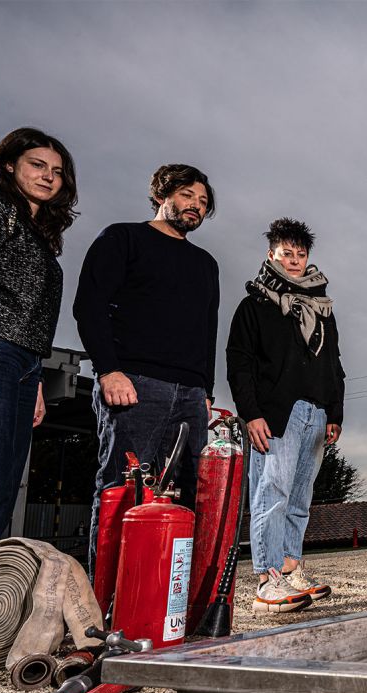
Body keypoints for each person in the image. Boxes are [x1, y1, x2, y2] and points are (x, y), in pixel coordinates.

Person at [73, 164, 219, 576]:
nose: (196, 206)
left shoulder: (206, 264)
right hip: (134, 384)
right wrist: (108, 371)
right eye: (188, 195)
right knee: (124, 490)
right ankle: (105, 605)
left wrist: (205, 391)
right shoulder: (123, 238)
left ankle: (171, 605)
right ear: (161, 195)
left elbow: (208, 330)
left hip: (190, 395)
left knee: (189, 497)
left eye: (203, 202)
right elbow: (90, 307)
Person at [0, 127, 78, 562]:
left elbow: (32, 314)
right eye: (37, 165)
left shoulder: (40, 233)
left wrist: (34, 380)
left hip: (22, 363)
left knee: (0, 487)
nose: (49, 176)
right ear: (9, 164)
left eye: (57, 171)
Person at [227, 218, 344, 613]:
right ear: (271, 255)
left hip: (316, 411)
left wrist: (335, 411)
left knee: (299, 498)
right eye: (286, 254)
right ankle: (267, 580)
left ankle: (292, 569)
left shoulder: (322, 309)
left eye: (300, 254)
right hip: (277, 414)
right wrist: (251, 414)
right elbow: (239, 363)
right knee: (271, 492)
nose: (294, 261)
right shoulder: (254, 306)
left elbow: (334, 364)